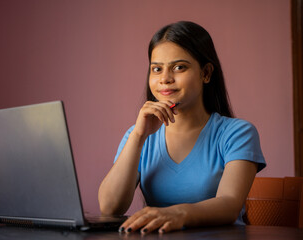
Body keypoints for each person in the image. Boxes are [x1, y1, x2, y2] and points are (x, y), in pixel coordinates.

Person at [98, 21, 266, 234]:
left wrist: (177, 213)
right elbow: (110, 207)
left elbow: (230, 204)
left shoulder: (237, 133)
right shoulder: (137, 136)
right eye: (157, 69)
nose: (165, 79)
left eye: (179, 67)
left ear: (205, 73)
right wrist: (139, 136)